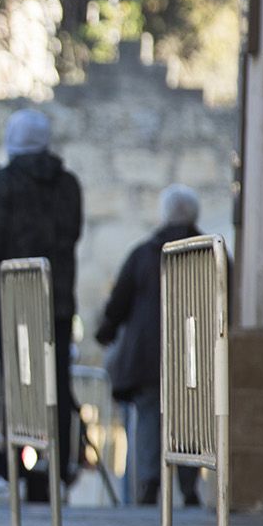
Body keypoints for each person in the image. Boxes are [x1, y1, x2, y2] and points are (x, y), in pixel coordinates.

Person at [0, 107, 83, 497]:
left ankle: (15, 470)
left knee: (15, 385)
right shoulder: (69, 185)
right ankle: (55, 472)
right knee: (56, 385)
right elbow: (72, 234)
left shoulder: (5, 183)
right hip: (57, 302)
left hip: (12, 304)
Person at [96, 184, 204, 507]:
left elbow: (118, 301)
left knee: (148, 417)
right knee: (189, 418)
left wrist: (106, 331)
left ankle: (148, 482)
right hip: (192, 355)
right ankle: (189, 486)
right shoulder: (209, 253)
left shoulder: (144, 254)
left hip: (147, 356)